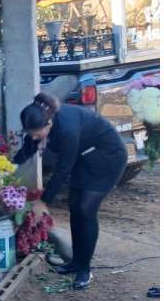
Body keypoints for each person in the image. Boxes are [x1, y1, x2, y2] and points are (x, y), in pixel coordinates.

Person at [13, 93, 127, 290]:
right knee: (74, 206)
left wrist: (43, 201)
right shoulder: (40, 118)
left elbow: (63, 170)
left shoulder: (67, 129)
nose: (32, 136)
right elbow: (29, 147)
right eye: (29, 132)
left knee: (86, 209)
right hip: (84, 157)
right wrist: (7, 165)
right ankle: (75, 262)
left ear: (48, 124)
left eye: (36, 132)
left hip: (108, 157)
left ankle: (84, 269)